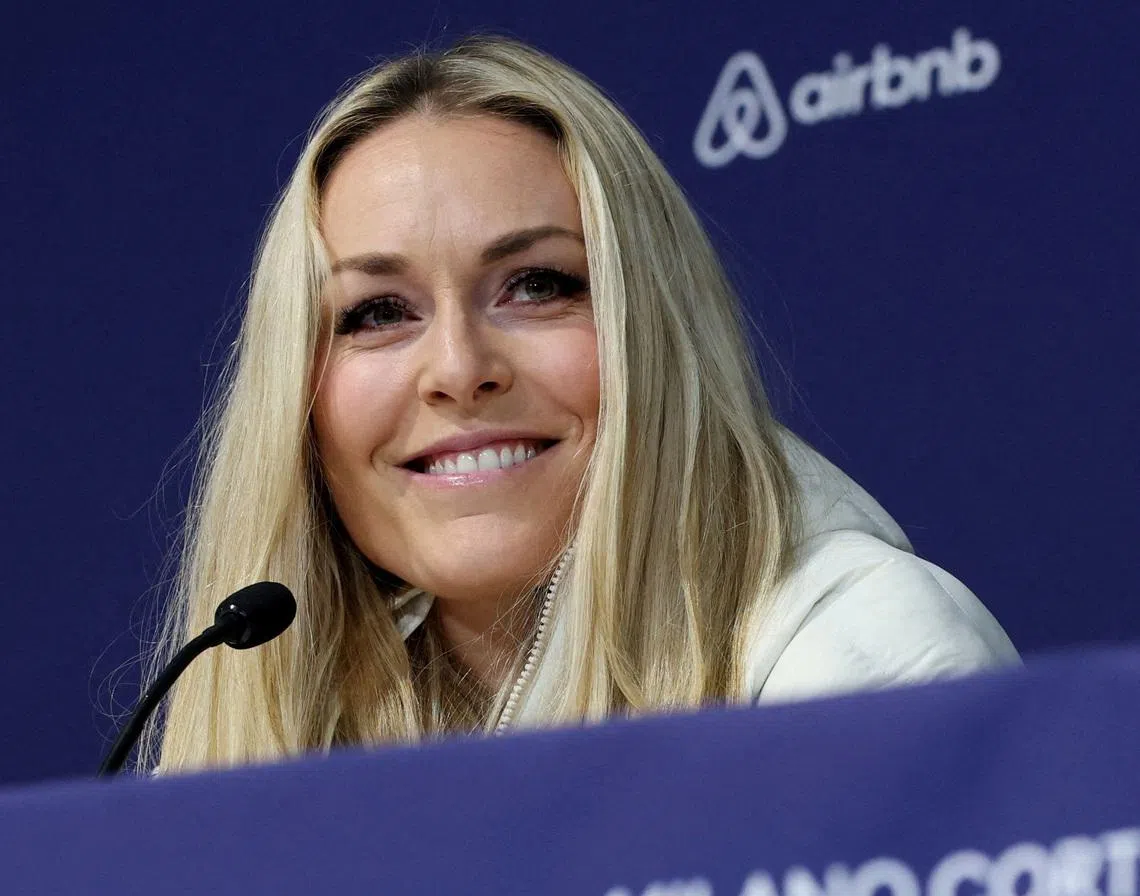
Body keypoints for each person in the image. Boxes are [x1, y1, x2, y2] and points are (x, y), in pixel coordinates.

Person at [143, 35, 1018, 775]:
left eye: (537, 285)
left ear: (653, 328)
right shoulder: (297, 710)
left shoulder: (868, 661)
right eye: (377, 313)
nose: (458, 368)